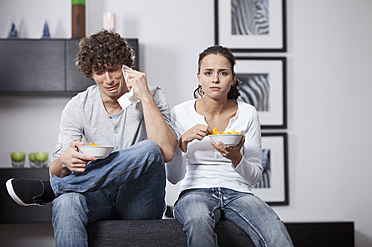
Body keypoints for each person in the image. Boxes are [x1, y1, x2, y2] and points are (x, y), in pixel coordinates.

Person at [6, 29, 177, 247]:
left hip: (139, 198)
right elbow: (55, 169)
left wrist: (145, 97)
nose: (108, 80)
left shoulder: (151, 95)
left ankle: (52, 189)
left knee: (151, 150)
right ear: (90, 73)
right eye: (99, 72)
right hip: (97, 195)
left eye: (114, 69)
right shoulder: (78, 105)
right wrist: (65, 160)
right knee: (66, 201)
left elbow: (167, 152)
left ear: (126, 66)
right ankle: (60, 189)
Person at [166, 45, 293, 247]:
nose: (215, 80)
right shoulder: (180, 113)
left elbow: (254, 176)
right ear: (199, 77)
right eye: (208, 73)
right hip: (194, 191)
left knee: (275, 231)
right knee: (197, 221)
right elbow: (173, 177)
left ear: (232, 78)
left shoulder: (248, 113)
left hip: (238, 192)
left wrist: (236, 158)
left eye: (223, 73)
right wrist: (182, 142)